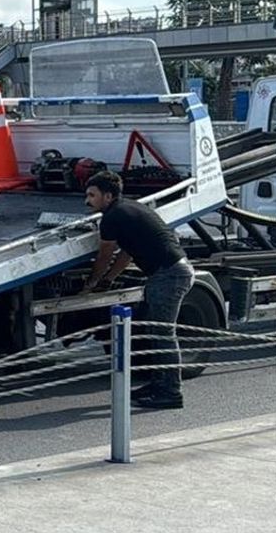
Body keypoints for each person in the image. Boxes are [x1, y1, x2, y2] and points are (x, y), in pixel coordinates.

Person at [82, 170, 193, 409]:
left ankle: (171, 391)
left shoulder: (112, 217)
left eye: (92, 195)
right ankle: (158, 383)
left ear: (108, 196)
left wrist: (91, 283)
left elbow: (105, 255)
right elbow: (126, 253)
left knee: (163, 333)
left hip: (169, 274)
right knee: (154, 330)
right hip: (171, 272)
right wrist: (108, 280)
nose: (87, 200)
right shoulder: (129, 209)